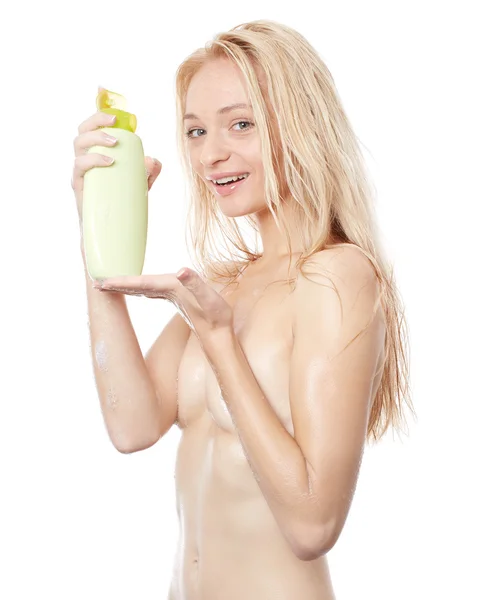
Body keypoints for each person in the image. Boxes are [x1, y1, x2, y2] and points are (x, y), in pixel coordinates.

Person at [71, 19, 415, 600]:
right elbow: (131, 426)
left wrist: (220, 340)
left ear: (300, 125)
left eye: (241, 124)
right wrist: (97, 231)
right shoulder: (227, 287)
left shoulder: (337, 277)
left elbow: (314, 525)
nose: (211, 154)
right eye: (196, 131)